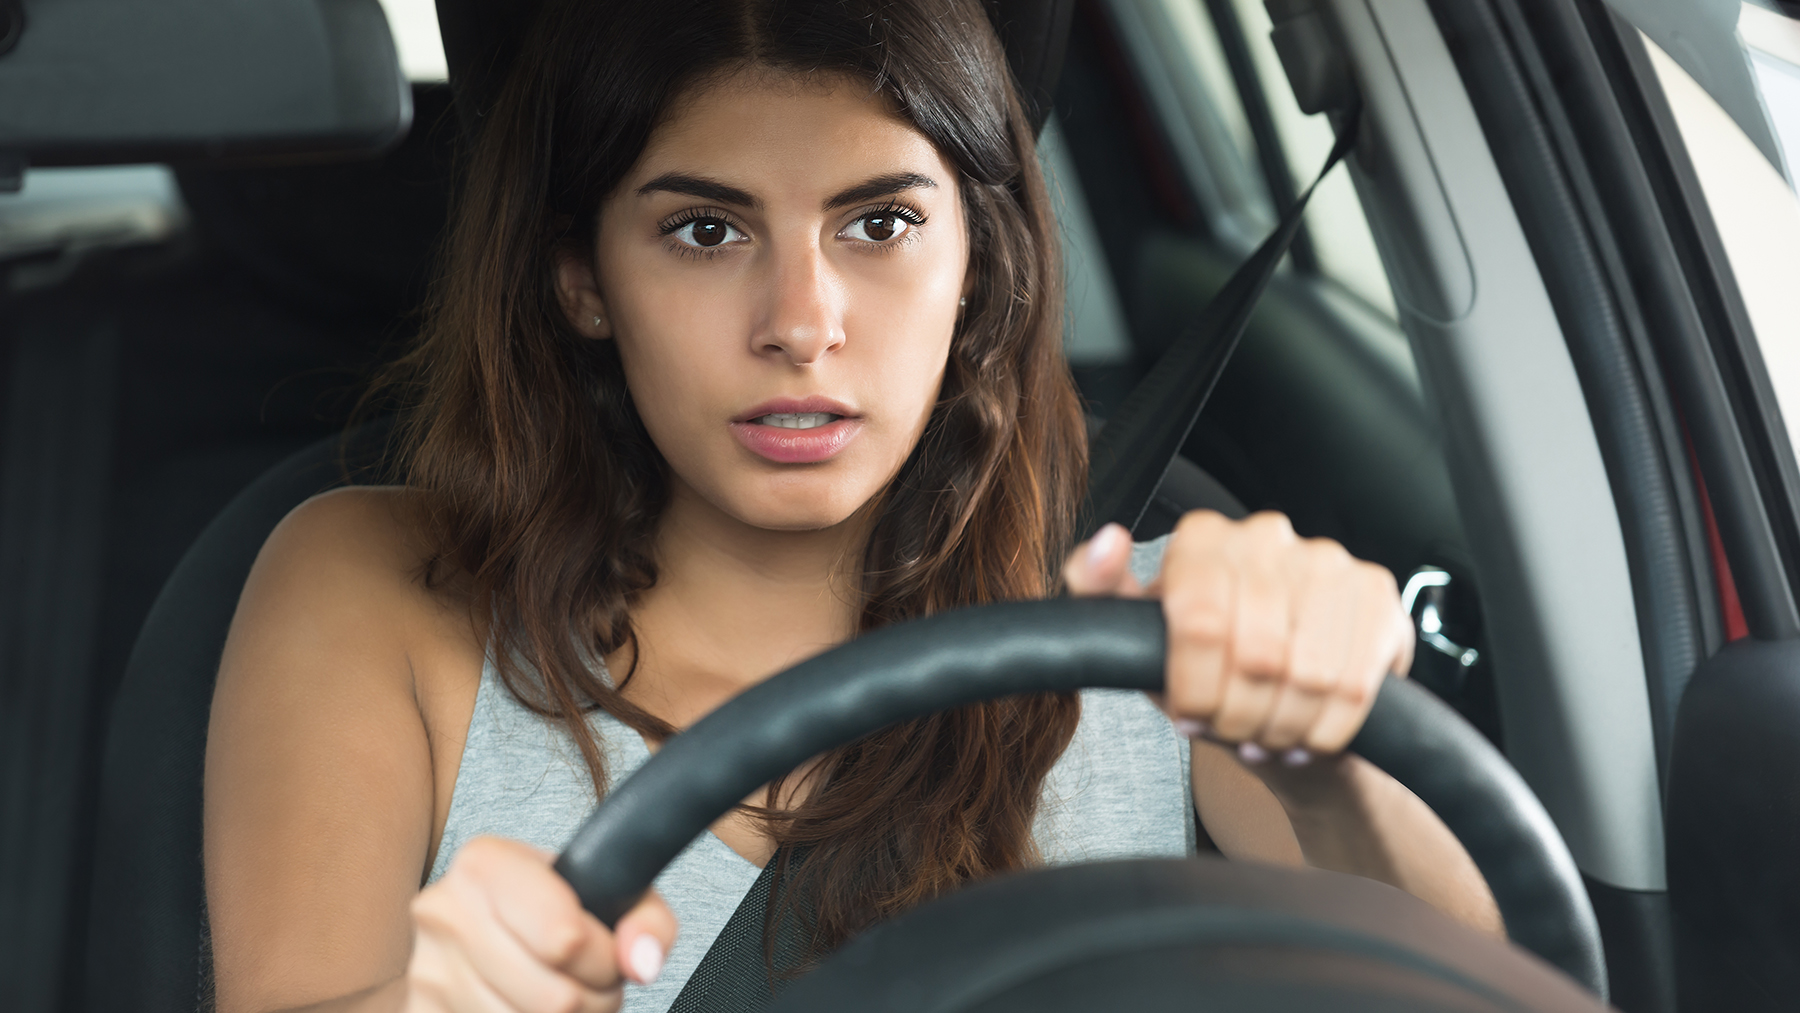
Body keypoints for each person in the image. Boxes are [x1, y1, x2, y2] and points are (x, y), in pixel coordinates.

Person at [203, 1, 1501, 1010]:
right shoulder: (376, 592)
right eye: (707, 233)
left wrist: (1320, 743)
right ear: (580, 278)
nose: (802, 326)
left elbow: (1476, 986)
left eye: (877, 225)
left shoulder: (1151, 623)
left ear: (977, 258)